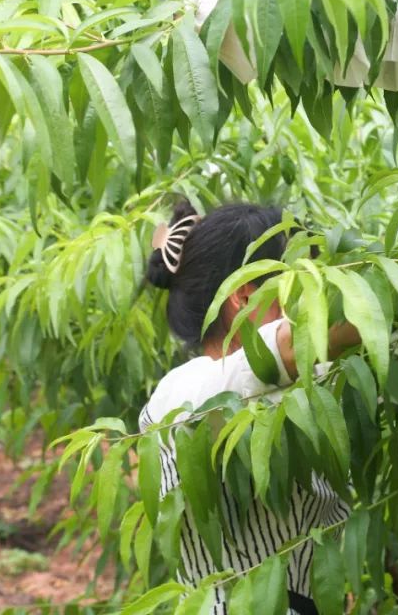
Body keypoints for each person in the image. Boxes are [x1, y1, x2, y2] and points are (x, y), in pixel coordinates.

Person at [140, 200, 359, 615]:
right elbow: (289, 346)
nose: (315, 299)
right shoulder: (183, 393)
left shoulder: (308, 388)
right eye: (302, 283)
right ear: (243, 297)